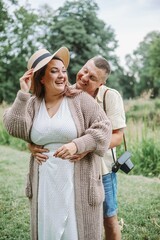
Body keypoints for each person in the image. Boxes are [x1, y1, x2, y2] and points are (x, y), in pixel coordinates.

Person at [3, 47, 112, 240]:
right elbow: (14, 127)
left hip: (76, 182)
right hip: (45, 184)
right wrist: (22, 93)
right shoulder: (32, 103)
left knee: (75, 233)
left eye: (63, 70)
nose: (62, 75)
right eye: (54, 71)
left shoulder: (80, 99)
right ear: (41, 78)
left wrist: (77, 145)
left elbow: (104, 128)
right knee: (49, 232)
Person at [29, 55, 126, 240]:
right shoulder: (66, 91)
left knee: (108, 217)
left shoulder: (109, 96)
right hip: (72, 168)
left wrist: (85, 147)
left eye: (92, 78)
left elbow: (118, 136)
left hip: (102, 168)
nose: (84, 77)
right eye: (85, 70)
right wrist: (31, 145)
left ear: (101, 83)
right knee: (73, 216)